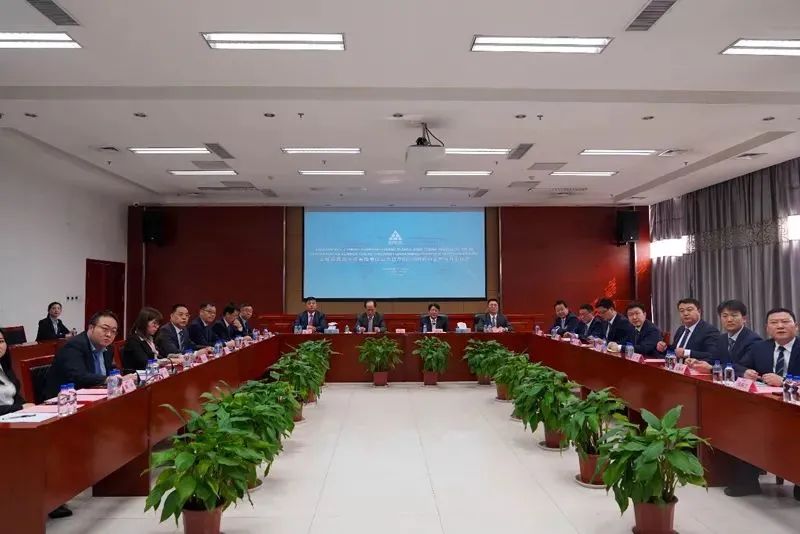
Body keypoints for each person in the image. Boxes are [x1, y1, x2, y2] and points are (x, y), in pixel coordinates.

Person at [725, 307, 800, 499]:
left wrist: (784, 382)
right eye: (774, 323)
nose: (780, 326)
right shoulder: (760, 347)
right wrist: (744, 372)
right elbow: (736, 365)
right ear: (767, 328)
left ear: (796, 326)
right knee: (744, 426)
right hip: (766, 407)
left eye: (785, 322)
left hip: (796, 410)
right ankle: (747, 482)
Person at [2, 331, 72, 519]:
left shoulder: (4, 368)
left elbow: (16, 397)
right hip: (6, 423)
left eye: (0, 341)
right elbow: (14, 404)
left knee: (53, 437)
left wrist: (24, 407)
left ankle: (50, 498)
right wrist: (18, 408)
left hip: (14, 420)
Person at [43, 310, 126, 401]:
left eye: (113, 331)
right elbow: (79, 376)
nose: (109, 334)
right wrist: (108, 379)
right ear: (91, 328)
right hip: (66, 400)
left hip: (96, 395)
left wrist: (124, 378)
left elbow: (111, 371)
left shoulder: (108, 348)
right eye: (105, 329)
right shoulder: (74, 345)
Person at [686, 299, 761, 373]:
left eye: (734, 315)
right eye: (725, 316)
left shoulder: (753, 340)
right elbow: (714, 360)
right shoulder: (721, 339)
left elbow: (742, 367)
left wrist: (712, 367)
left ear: (744, 319)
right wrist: (698, 362)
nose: (729, 320)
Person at [122, 307, 172, 371]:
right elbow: (145, 362)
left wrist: (171, 357)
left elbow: (160, 354)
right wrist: (168, 361)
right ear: (144, 322)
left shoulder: (150, 337)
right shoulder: (133, 340)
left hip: (153, 371)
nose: (157, 326)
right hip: (138, 374)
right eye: (154, 323)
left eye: (158, 324)